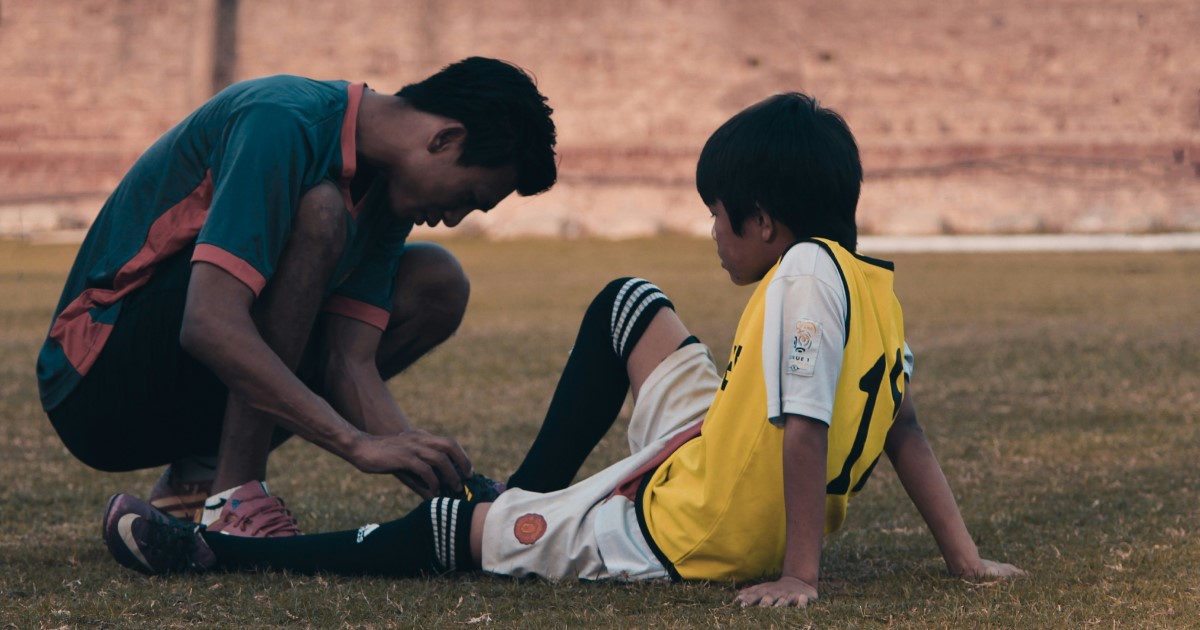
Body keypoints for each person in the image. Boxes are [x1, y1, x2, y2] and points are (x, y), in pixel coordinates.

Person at [101, 92, 1024, 607]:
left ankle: (213, 555)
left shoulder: (801, 279)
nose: (712, 232)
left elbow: (807, 429)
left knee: (459, 535)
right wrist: (964, 558)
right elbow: (902, 425)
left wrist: (799, 575)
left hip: (694, 527)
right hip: (714, 448)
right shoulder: (869, 282)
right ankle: (530, 493)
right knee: (628, 304)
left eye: (718, 215)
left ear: (765, 222)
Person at [39, 57, 557, 537]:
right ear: (445, 138)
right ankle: (233, 498)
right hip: (95, 382)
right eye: (467, 197)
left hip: (179, 398)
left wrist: (448, 485)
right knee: (321, 211)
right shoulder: (281, 119)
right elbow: (208, 323)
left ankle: (199, 478)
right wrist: (354, 443)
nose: (454, 218)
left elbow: (348, 362)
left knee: (437, 281)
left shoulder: (388, 194)